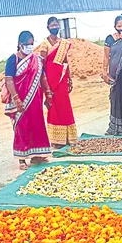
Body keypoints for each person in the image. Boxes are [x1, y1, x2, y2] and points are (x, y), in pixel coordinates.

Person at [4, 31, 52, 170]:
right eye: (27, 44)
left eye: (32, 44)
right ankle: (22, 158)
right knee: (22, 127)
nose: (30, 47)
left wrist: (48, 92)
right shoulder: (13, 59)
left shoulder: (36, 59)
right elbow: (9, 80)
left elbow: (42, 76)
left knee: (37, 124)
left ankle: (38, 155)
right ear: (20, 44)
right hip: (19, 99)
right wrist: (16, 98)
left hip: (35, 99)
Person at [38, 17, 78, 148]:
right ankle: (56, 141)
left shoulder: (63, 43)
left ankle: (68, 138)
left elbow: (65, 61)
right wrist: (45, 84)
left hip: (62, 79)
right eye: (52, 25)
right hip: (50, 79)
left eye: (56, 25)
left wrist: (69, 78)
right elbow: (42, 64)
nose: (54, 27)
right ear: (48, 27)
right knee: (54, 107)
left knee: (65, 106)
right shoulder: (44, 43)